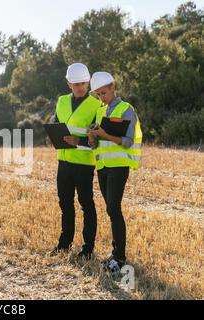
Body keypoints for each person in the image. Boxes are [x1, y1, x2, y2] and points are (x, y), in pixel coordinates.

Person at [88, 71, 143, 272]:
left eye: (103, 93)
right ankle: (115, 253)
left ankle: (119, 258)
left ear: (112, 87)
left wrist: (104, 134)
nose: (101, 98)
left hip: (119, 167)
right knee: (111, 210)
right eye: (98, 95)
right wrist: (93, 138)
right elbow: (95, 145)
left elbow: (127, 142)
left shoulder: (126, 110)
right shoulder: (101, 112)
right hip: (103, 167)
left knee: (113, 208)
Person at [51, 63, 102, 259]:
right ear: (68, 84)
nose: (81, 87)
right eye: (76, 83)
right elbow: (56, 122)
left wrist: (79, 141)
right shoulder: (62, 101)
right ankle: (64, 244)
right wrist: (54, 133)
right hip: (63, 161)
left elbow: (98, 137)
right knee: (65, 203)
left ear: (88, 82)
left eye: (83, 83)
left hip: (83, 163)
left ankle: (87, 249)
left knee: (86, 204)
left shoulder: (97, 105)